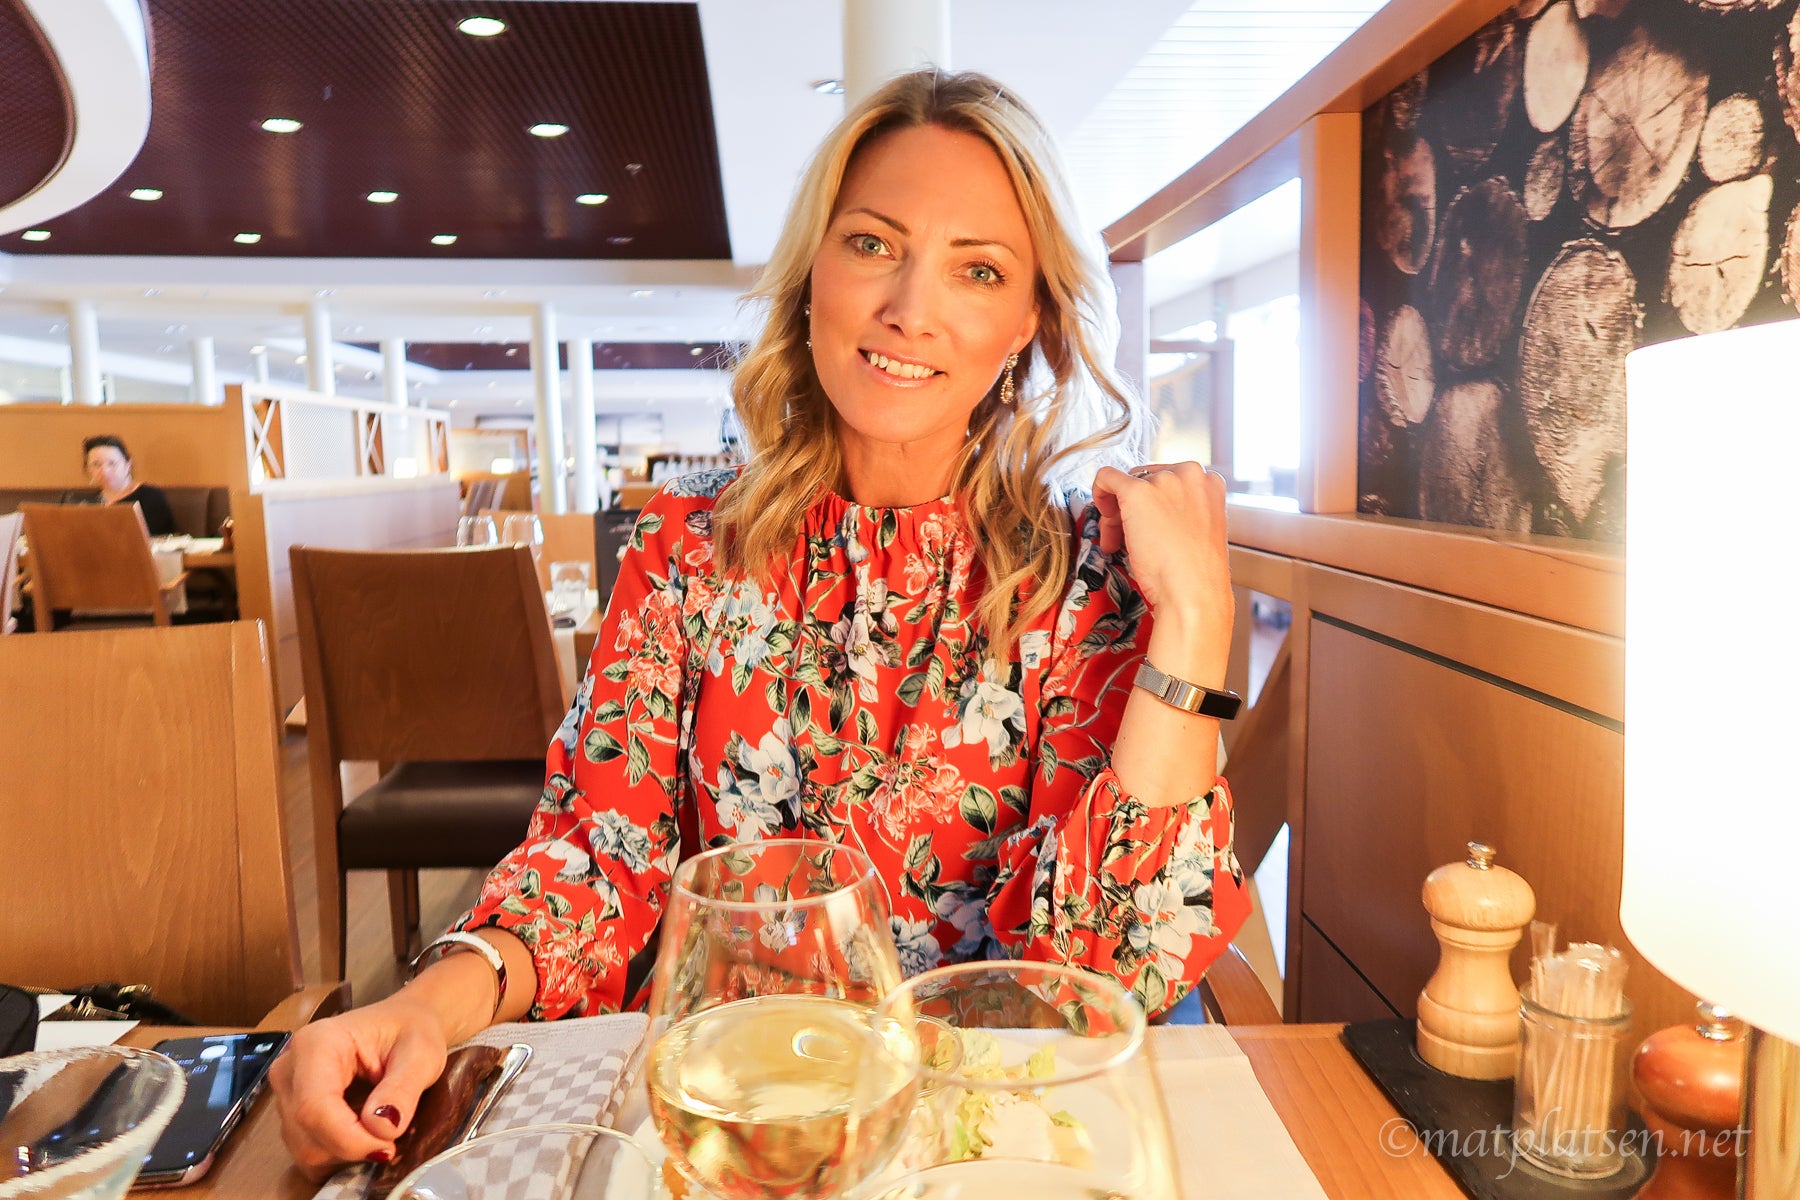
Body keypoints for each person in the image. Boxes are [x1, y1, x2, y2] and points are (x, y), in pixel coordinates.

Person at [270, 67, 1250, 1178]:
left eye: (976, 269)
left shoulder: (1086, 579)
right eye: (873, 244)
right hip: (735, 1127)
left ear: (1029, 319)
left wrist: (1199, 615)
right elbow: (599, 857)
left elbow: (1104, 976)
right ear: (814, 271)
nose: (909, 307)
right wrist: (425, 1006)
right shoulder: (686, 549)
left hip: (990, 1149)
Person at [79, 435, 177, 537]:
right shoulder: (88, 503)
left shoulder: (150, 497)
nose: (104, 471)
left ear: (127, 465)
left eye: (112, 463)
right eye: (96, 464)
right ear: (88, 469)